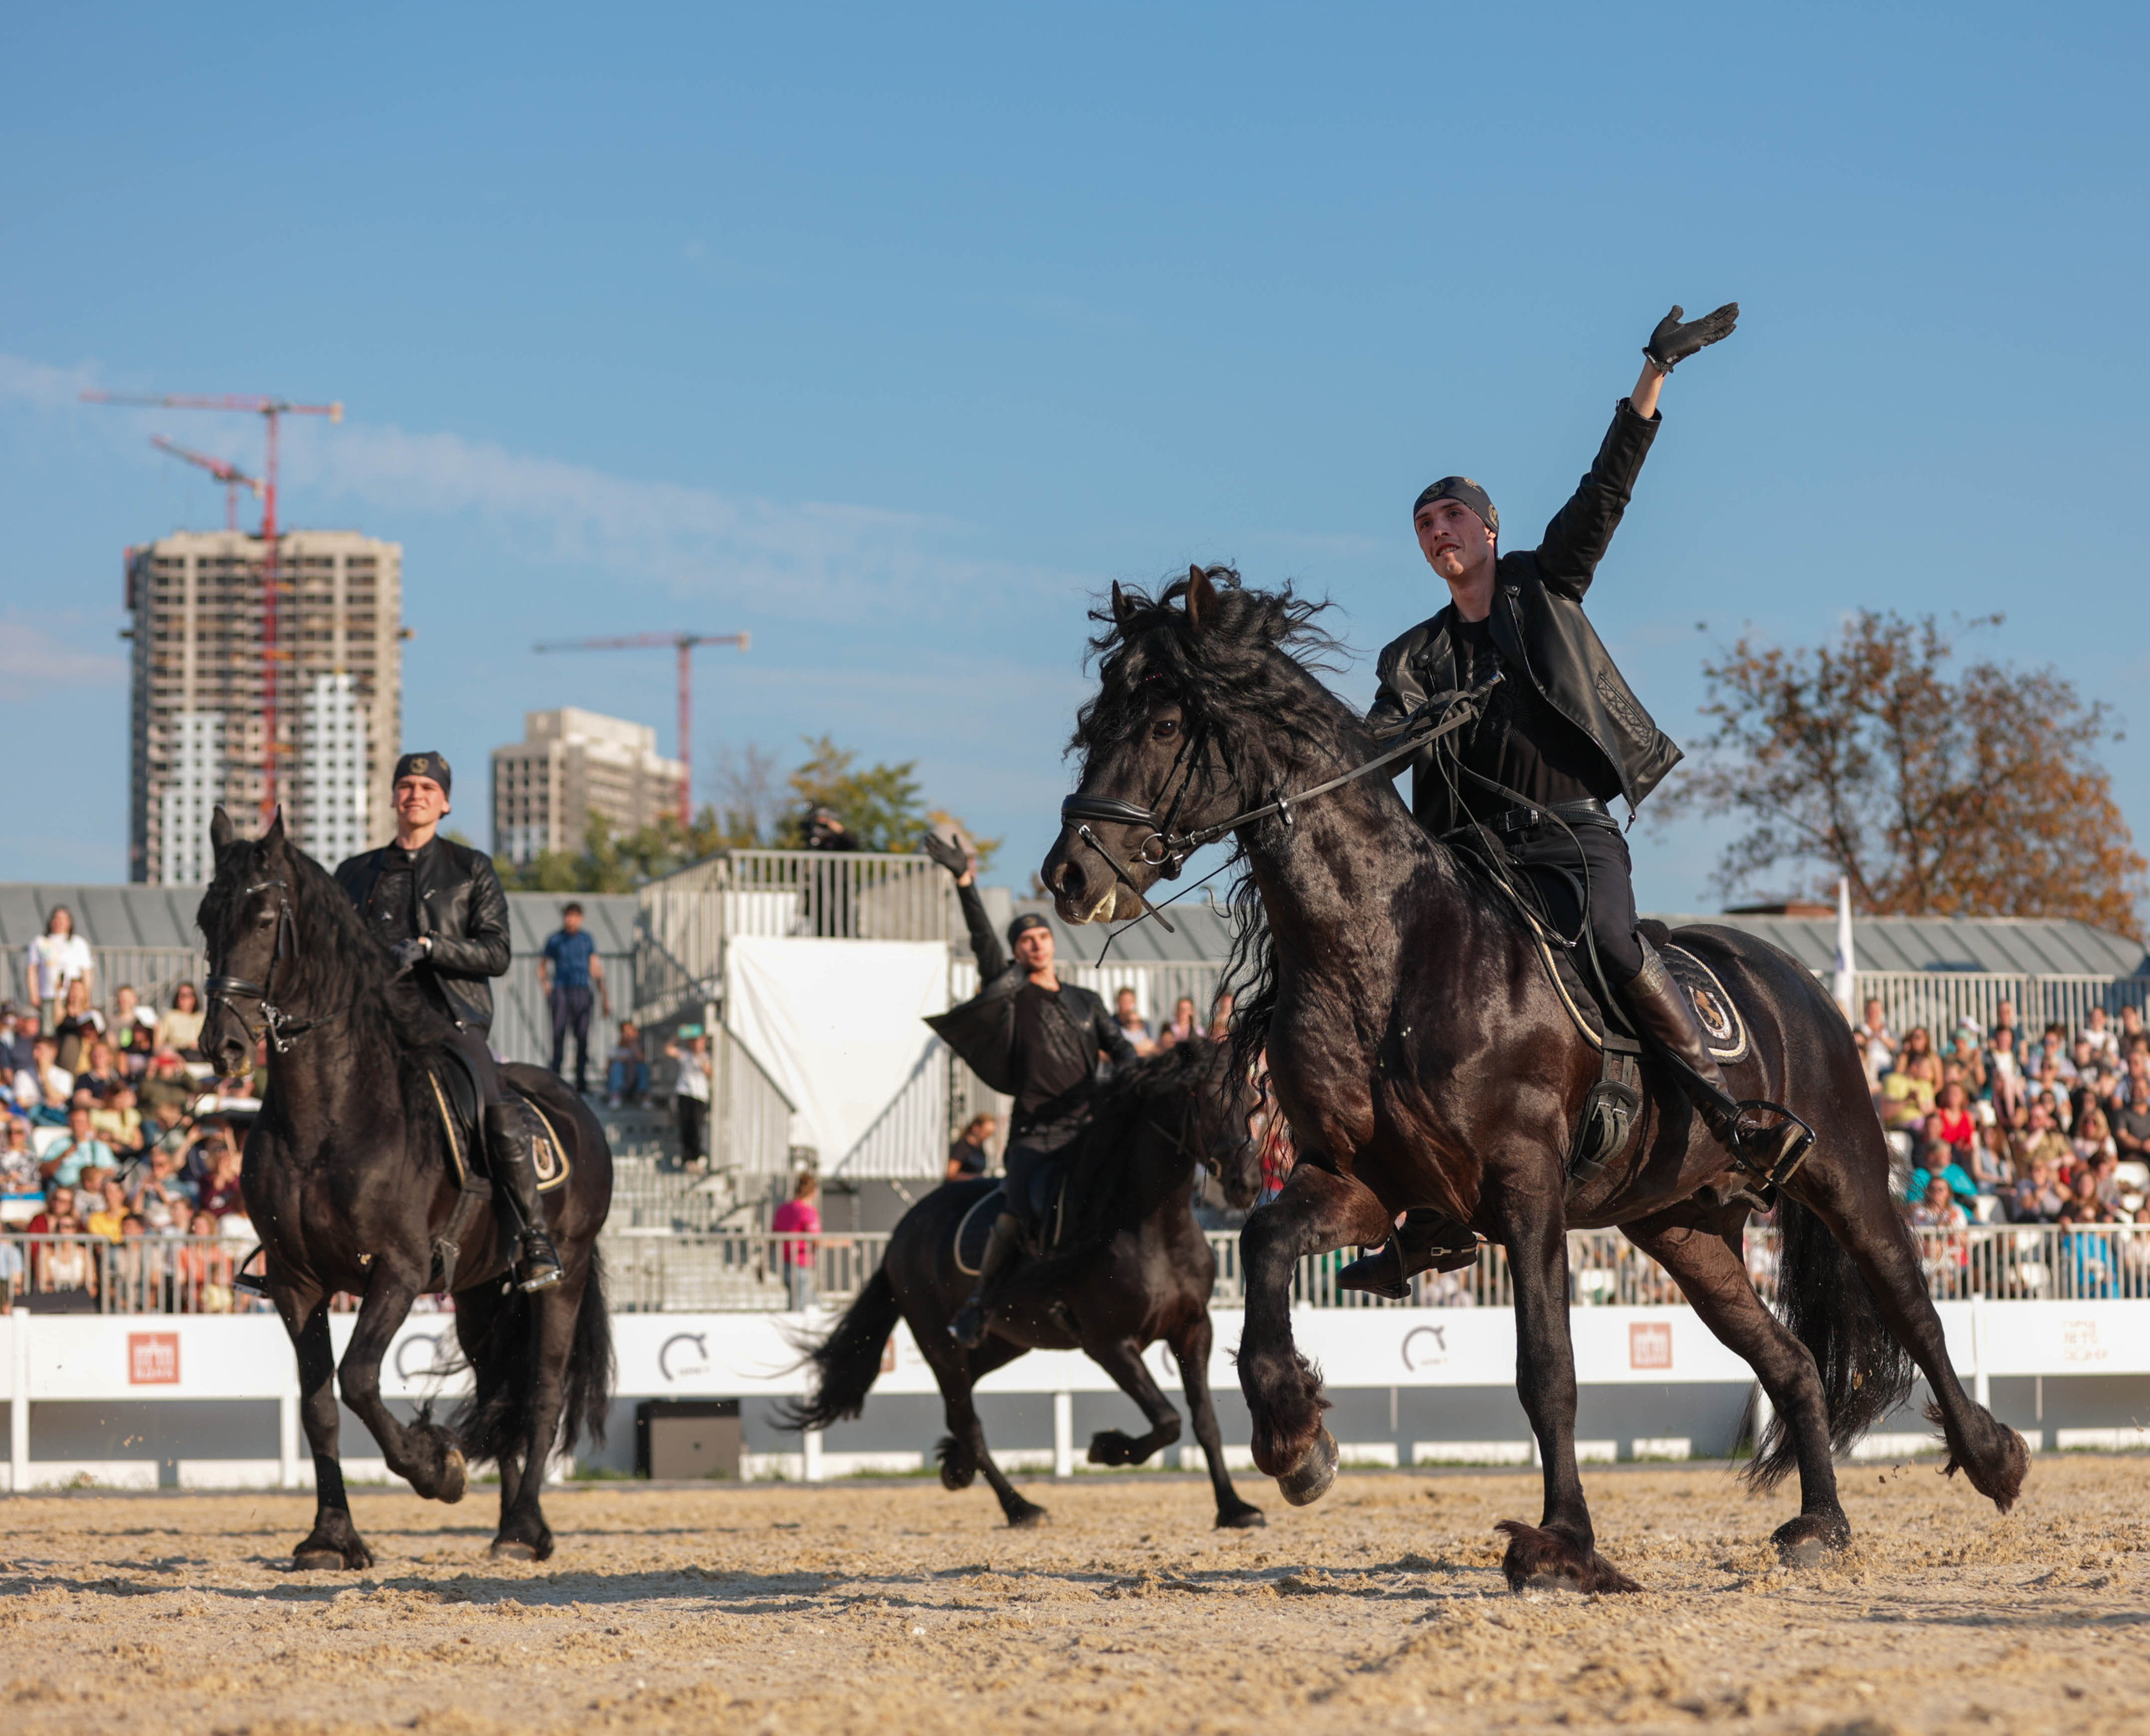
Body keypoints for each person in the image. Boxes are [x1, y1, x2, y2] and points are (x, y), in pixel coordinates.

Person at [1359, 303, 1806, 1279]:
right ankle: (1428, 1205)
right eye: (1425, 525)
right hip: (1476, 871)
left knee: (1610, 942)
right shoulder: (1413, 656)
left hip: (1570, 838)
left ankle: (1727, 1112)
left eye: (1453, 517)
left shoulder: (1540, 584)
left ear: (1488, 528)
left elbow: (1605, 490)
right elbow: (1368, 758)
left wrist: (1651, 373)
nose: (1440, 533)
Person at [334, 750, 559, 1291]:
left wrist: (432, 947)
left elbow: (497, 953)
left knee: (492, 1104)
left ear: (446, 803)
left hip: (450, 1022)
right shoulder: (353, 873)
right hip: (369, 1028)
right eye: (406, 785)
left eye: (427, 788)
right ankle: (286, 1241)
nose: (415, 794)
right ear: (392, 796)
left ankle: (532, 1235)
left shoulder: (471, 868)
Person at [921, 832, 1136, 1346]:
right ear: (1017, 952)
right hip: (1035, 1137)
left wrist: (1117, 1078)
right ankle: (980, 1302)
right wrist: (965, 881)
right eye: (1024, 940)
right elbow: (982, 944)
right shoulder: (1013, 996)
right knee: (1016, 1212)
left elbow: (1123, 1050)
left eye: (1040, 936)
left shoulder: (1086, 1001)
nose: (1034, 943)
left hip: (1090, 1131)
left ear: (1052, 942)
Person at [540, 901, 606, 1096]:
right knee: (559, 1035)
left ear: (581, 918)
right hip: (561, 991)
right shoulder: (555, 939)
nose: (571, 920)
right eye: (568, 916)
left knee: (582, 1037)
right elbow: (541, 966)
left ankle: (581, 1081)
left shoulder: (587, 939)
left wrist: (605, 996)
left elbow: (595, 967)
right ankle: (555, 1079)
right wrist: (546, 987)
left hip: (582, 991)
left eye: (575, 916)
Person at [25, 906, 94, 1033]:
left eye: (63, 919)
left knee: (70, 1030)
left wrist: (86, 996)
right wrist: (33, 995)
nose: (59, 922)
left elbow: (86, 972)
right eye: (56, 918)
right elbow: (31, 970)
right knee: (48, 1032)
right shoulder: (39, 942)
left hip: (72, 997)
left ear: (70, 922)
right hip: (48, 995)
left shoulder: (79, 943)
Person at [771, 1170, 822, 1310]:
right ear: (814, 1191)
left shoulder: (783, 1209)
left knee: (811, 1303)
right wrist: (842, 1243)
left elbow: (773, 1237)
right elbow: (816, 1239)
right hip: (801, 1264)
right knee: (798, 1309)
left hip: (785, 1264)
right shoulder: (808, 1211)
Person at [39, 1103, 114, 1190]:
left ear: (88, 1123)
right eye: (73, 1122)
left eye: (80, 1122)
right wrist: (62, 1156)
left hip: (90, 1191)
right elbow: (43, 1172)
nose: (76, 1126)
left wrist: (94, 1173)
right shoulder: (58, 1143)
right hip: (63, 1190)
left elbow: (110, 1172)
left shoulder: (99, 1147)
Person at [666, 1031, 711, 1169]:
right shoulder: (685, 1055)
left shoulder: (706, 1057)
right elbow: (668, 1049)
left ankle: (697, 1156)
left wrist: (700, 1057)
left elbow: (709, 1072)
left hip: (699, 1095)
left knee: (696, 1126)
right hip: (684, 1093)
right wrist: (679, 1035)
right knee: (685, 1125)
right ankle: (687, 1157)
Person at [12, 1035, 73, 1125]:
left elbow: (56, 1099)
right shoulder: (22, 1075)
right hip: (30, 1121)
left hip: (56, 1121)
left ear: (53, 1052)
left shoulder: (65, 1076)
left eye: (40, 1050)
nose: (35, 1054)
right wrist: (42, 1103)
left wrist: (44, 1075)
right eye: (34, 1049)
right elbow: (21, 1102)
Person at [153, 983, 206, 1062]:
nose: (184, 999)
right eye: (181, 995)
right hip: (177, 1053)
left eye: (188, 995)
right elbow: (158, 1044)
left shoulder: (201, 1018)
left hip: (198, 1054)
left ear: (194, 998)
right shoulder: (169, 1016)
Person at [605, 1021, 649, 1107]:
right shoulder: (616, 1048)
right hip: (620, 1083)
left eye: (630, 1031)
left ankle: (644, 1096)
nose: (627, 1034)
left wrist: (633, 1043)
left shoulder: (637, 1047)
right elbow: (607, 1070)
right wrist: (620, 1060)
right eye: (625, 1031)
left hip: (634, 1084)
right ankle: (616, 1096)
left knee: (642, 1067)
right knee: (617, 1066)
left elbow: (642, 1059)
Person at [947, 1113, 998, 1183]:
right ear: (976, 1128)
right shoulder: (962, 1146)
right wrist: (977, 1178)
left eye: (990, 1134)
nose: (987, 1136)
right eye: (986, 1132)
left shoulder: (980, 1147)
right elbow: (951, 1174)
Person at [1110, 988, 1154, 1055]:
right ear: (1117, 1002)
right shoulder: (1110, 1024)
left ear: (1134, 1002)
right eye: (1123, 1001)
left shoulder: (1144, 1024)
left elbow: (1150, 1047)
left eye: (1129, 1001)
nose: (1126, 1005)